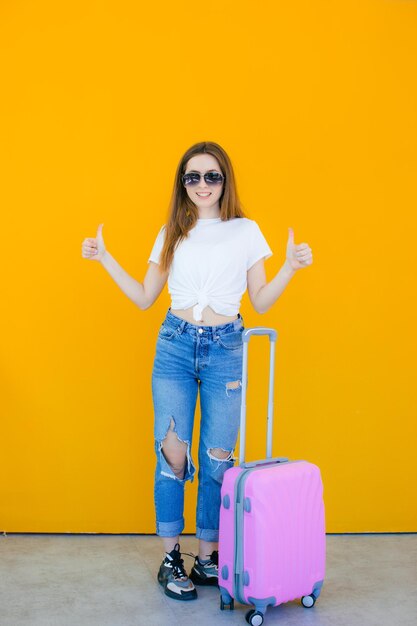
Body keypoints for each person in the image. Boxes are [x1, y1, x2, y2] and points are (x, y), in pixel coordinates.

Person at [81, 141, 313, 601]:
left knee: (218, 460)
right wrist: (105, 259)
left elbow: (261, 300)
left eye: (211, 176)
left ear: (225, 180)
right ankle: (172, 558)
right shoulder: (172, 230)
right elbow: (146, 297)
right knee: (172, 457)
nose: (202, 185)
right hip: (174, 347)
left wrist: (290, 266)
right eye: (193, 177)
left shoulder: (246, 231)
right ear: (182, 184)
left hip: (227, 349)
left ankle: (207, 558)